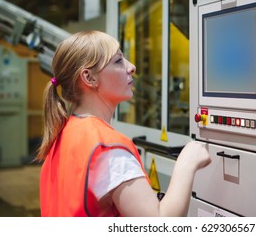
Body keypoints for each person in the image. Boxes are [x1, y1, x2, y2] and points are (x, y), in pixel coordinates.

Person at [36, 30, 211, 217]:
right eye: (118, 61)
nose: (132, 66)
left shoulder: (64, 133)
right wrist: (187, 163)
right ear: (89, 78)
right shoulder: (107, 149)